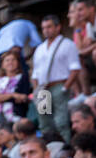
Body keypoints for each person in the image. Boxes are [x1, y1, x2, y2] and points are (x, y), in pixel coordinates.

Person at [33, 15, 82, 144]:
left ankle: (65, 147)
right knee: (45, 122)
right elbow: (35, 73)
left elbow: (75, 68)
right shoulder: (40, 49)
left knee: (61, 122)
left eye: (49, 27)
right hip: (43, 88)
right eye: (44, 28)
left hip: (59, 85)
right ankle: (49, 147)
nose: (46, 30)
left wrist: (65, 87)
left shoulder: (67, 44)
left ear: (58, 27)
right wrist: (36, 90)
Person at [0, 50, 33, 129]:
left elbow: (23, 97)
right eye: (7, 60)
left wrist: (1, 97)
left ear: (18, 63)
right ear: (2, 64)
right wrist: (13, 95)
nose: (10, 62)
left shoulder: (22, 79)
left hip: (16, 118)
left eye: (13, 60)